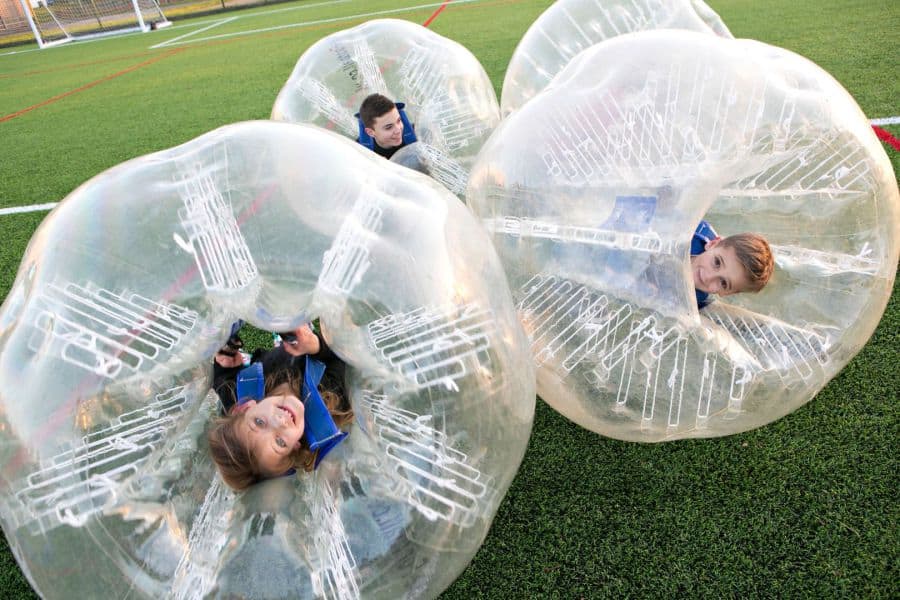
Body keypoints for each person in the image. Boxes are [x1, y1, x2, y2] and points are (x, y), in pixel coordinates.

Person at [208, 322, 353, 491]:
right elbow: (343, 355)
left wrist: (226, 363)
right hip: (316, 351)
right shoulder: (330, 399)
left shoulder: (240, 399)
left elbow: (223, 382)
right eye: (280, 442)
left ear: (245, 408)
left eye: (260, 423)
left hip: (278, 355)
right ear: (295, 447)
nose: (280, 422)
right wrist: (316, 345)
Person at [691, 220, 774, 309]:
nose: (708, 277)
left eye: (723, 283)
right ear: (713, 244)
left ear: (727, 293)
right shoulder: (690, 231)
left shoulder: (694, 299)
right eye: (717, 262)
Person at [355, 93, 417, 159]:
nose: (398, 130)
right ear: (371, 132)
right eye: (389, 127)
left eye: (399, 120)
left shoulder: (417, 133)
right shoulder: (360, 151)